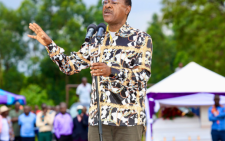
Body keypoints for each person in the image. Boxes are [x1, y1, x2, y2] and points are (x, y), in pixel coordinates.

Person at [28, 0, 152, 140]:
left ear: (127, 9)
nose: (107, 5)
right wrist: (50, 45)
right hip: (98, 120)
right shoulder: (96, 41)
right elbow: (69, 66)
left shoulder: (141, 39)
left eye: (114, 2)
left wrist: (112, 71)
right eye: (105, 2)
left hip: (128, 120)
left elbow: (142, 76)